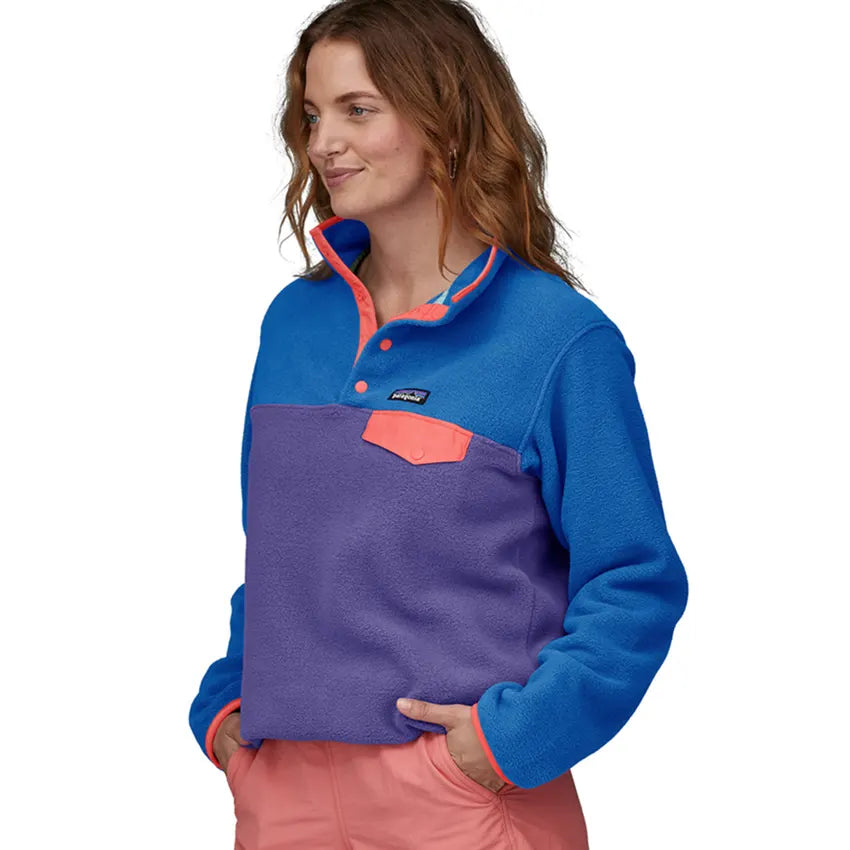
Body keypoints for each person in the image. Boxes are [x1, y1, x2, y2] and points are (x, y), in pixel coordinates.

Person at [188, 1, 689, 847]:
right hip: (281, 794)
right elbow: (276, 554)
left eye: (358, 110)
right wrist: (226, 705)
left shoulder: (556, 339)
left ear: (444, 122)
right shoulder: (292, 324)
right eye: (312, 116)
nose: (323, 144)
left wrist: (506, 745)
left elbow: (634, 581)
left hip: (461, 800)